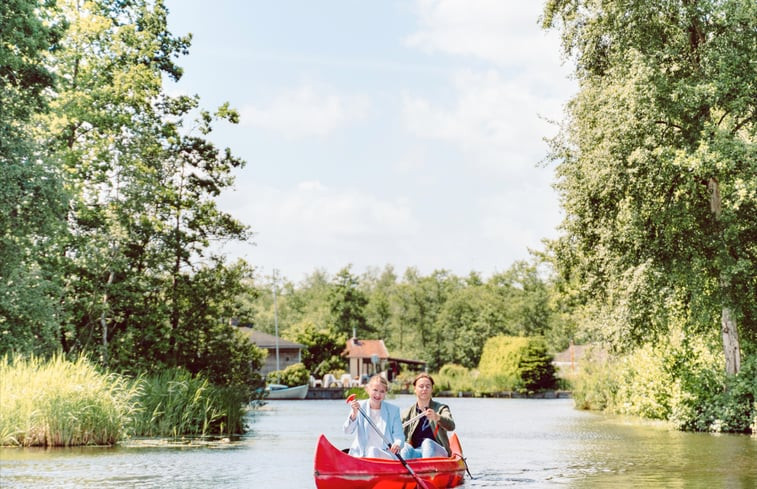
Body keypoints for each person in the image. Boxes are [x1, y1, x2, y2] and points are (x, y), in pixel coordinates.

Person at [343, 374, 404, 459]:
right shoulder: (358, 406)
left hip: (385, 454)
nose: (378, 395)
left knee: (373, 450)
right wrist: (354, 414)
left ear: (386, 392)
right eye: (375, 390)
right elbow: (347, 431)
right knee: (371, 451)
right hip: (361, 455)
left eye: (382, 391)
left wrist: (397, 444)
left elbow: (399, 436)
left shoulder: (393, 410)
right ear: (368, 390)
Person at [400, 372, 455, 459]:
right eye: (421, 386)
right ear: (415, 389)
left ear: (432, 389)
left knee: (427, 443)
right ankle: (401, 471)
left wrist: (437, 417)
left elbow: (451, 426)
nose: (424, 389)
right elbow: (397, 434)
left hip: (438, 452)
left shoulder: (441, 408)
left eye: (428, 386)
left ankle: (426, 470)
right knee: (405, 447)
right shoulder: (407, 413)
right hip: (417, 452)